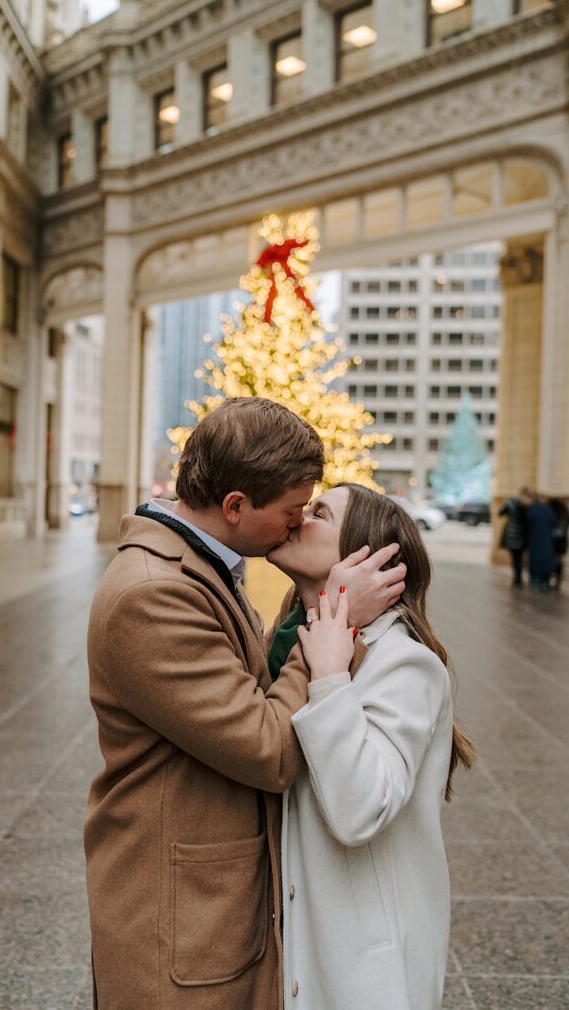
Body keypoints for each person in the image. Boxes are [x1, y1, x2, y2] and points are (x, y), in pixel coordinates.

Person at [84, 398, 406, 1010]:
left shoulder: (199, 567)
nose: (295, 526)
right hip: (179, 914)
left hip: (211, 896)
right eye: (289, 512)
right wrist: (333, 620)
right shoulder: (152, 595)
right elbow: (271, 749)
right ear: (235, 506)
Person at [266, 484, 475, 1010]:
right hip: (302, 952)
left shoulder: (403, 661)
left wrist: (332, 677)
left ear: (362, 555)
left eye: (319, 514)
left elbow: (360, 811)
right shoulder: (291, 640)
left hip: (365, 972)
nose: (297, 518)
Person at [525, 491, 557, 592]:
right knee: (545, 560)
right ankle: (544, 582)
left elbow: (527, 523)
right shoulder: (548, 510)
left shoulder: (533, 510)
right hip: (546, 539)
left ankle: (535, 581)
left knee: (535, 559)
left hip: (535, 539)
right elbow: (554, 523)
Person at [498, 489, 529, 587]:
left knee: (515, 558)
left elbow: (501, 513)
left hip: (513, 535)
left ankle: (517, 578)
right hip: (521, 535)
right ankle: (518, 578)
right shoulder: (527, 505)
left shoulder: (511, 503)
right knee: (519, 558)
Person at [547, 496, 569, 589]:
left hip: (557, 543)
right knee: (557, 561)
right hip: (560, 543)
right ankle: (556, 580)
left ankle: (555, 580)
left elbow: (560, 531)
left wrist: (551, 535)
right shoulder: (564, 513)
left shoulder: (560, 514)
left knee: (556, 562)